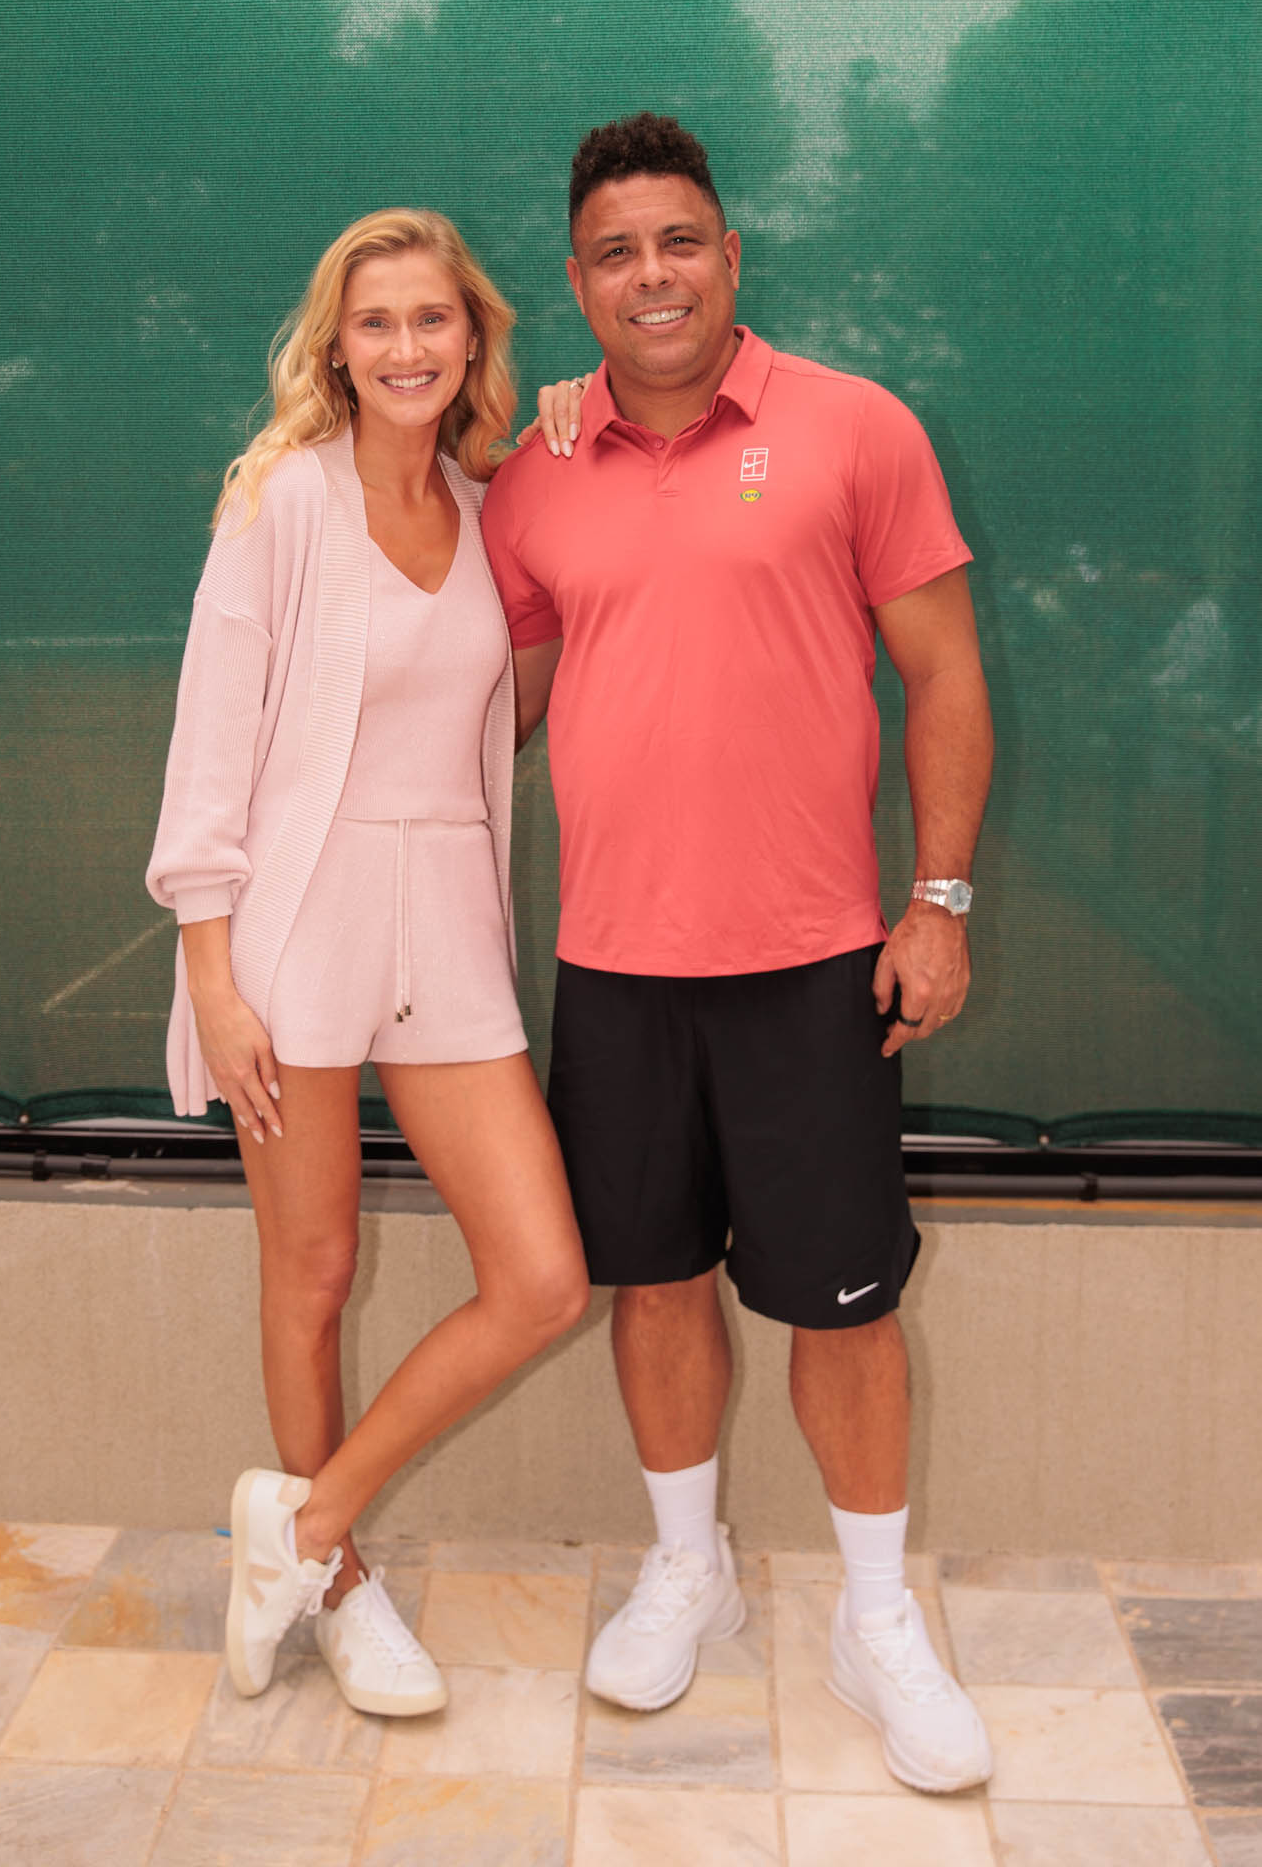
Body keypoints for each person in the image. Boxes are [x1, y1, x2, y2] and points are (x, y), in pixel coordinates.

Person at [487, 114, 995, 1792]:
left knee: (842, 1306)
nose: (652, 275)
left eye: (678, 242)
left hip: (814, 960)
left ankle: (874, 1620)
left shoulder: (856, 429)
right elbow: (498, 704)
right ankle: (686, 1570)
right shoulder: (536, 472)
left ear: (728, 255)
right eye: (616, 253)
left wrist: (939, 901)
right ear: (577, 285)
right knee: (651, 1279)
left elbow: (942, 675)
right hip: (615, 966)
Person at [146, 208, 588, 1718]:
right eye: (376, 321)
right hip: (297, 923)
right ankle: (334, 1593)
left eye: (432, 319)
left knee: (543, 1277)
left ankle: (302, 1526)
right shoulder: (282, 499)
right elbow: (210, 745)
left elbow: (509, 711)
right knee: (315, 1267)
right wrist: (214, 977)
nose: (407, 347)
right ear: (335, 346)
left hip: (446, 920)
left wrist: (570, 451)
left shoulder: (488, 503)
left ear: (474, 335)